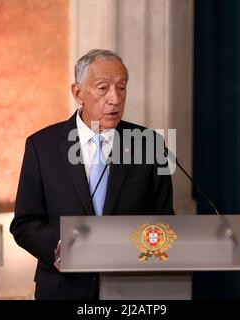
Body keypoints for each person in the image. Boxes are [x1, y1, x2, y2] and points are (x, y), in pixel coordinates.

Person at [10, 49, 174, 300]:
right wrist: (58, 247)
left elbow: (164, 221)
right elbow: (24, 223)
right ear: (78, 93)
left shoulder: (149, 145)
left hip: (131, 290)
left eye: (121, 88)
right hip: (63, 288)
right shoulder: (42, 146)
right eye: (103, 88)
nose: (115, 99)